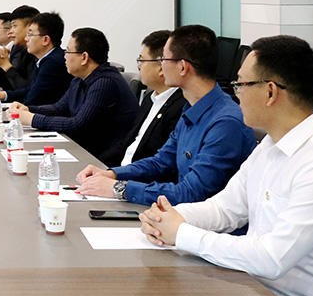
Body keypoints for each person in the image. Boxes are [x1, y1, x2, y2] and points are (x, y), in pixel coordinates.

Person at [139, 35, 313, 296]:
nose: (236, 95)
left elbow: (271, 258)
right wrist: (170, 217)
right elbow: (225, 209)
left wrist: (181, 233)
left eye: (241, 84)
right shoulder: (270, 145)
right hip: (264, 292)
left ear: (270, 92)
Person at [75, 24, 255, 204]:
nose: (161, 65)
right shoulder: (192, 108)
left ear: (182, 67)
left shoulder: (225, 122)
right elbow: (161, 162)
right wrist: (112, 174)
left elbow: (192, 193)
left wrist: (119, 188)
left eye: (165, 59)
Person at [7, 27, 139, 165]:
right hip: (85, 150)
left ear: (84, 57)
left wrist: (33, 119)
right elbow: (59, 108)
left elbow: (78, 125)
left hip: (103, 160)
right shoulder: (80, 78)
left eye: (68, 52)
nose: (64, 56)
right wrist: (28, 110)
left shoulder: (105, 83)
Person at [98, 30, 185, 172]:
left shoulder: (180, 107)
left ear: (161, 66)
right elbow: (127, 143)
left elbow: (163, 164)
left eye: (142, 60)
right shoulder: (149, 99)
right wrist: (96, 164)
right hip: (119, 172)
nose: (139, 66)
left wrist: (117, 177)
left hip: (137, 178)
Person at [0, 12, 72, 107]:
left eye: (30, 34)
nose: (26, 39)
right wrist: (4, 95)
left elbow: (32, 99)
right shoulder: (47, 59)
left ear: (45, 40)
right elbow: (30, 89)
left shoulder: (52, 63)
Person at [0, 5, 40, 90]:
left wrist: (6, 65)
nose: (10, 31)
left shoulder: (39, 55)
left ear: (30, 27)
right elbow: (9, 87)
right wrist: (1, 65)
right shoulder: (23, 51)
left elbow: (27, 90)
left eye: (14, 26)